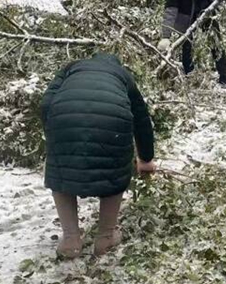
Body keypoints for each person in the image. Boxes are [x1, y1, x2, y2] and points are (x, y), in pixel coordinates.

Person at [40, 53, 157, 258]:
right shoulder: (123, 75)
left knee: (62, 174)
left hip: (64, 118)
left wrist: (55, 135)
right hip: (113, 123)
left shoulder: (72, 67)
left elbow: (46, 102)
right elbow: (141, 118)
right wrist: (146, 159)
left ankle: (70, 240)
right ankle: (105, 237)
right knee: (114, 171)